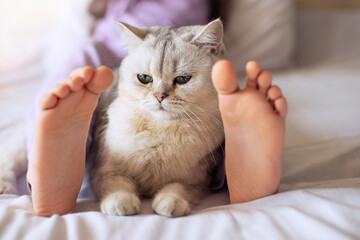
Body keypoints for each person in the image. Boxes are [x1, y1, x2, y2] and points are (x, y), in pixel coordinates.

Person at [26, 0, 287, 216]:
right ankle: (62, 150)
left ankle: (238, 153)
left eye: (182, 81)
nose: (161, 95)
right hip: (126, 54)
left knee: (82, 72)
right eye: (150, 83)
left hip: (159, 47)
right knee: (82, 79)